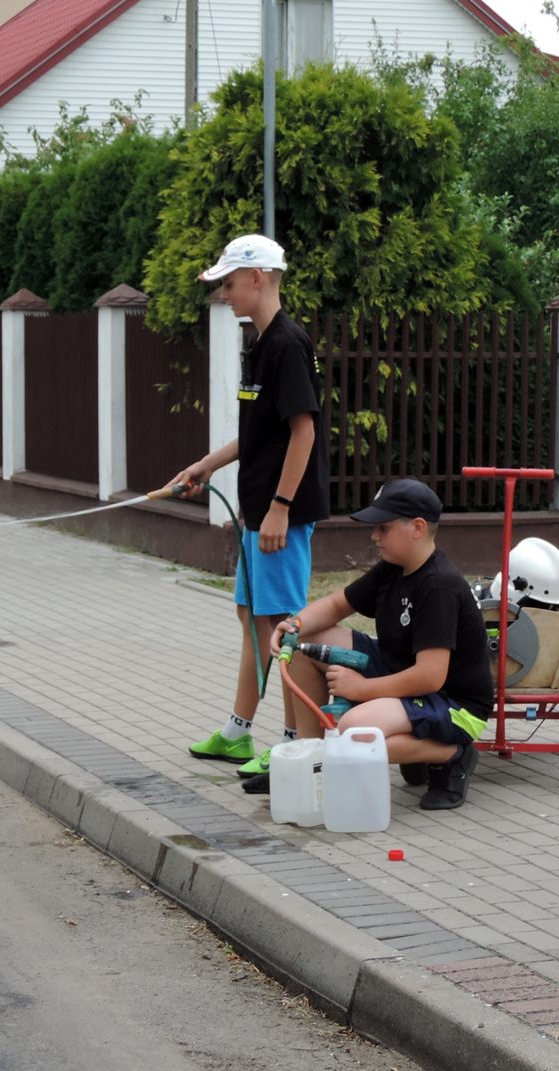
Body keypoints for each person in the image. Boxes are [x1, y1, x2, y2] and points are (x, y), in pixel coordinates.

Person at [170, 233, 330, 788]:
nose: (225, 294)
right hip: (258, 509)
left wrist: (282, 508)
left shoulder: (287, 344)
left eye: (230, 283)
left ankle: (289, 746)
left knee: (281, 629)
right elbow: (257, 434)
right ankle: (238, 731)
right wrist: (206, 465)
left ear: (258, 278)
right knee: (250, 617)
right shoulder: (258, 343)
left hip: (277, 514)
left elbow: (303, 432)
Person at [267, 479, 493, 811]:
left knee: (353, 731)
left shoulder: (439, 585)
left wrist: (362, 689)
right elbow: (335, 606)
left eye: (383, 528)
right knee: (303, 642)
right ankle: (312, 759)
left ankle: (453, 754)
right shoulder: (393, 569)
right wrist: (294, 625)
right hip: (401, 671)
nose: (374, 536)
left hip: (453, 703)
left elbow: (431, 677)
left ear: (417, 528)